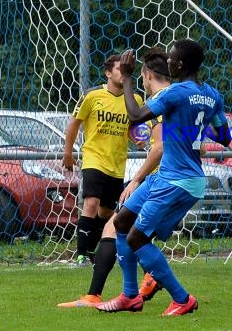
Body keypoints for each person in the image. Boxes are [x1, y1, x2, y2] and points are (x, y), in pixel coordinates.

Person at [95, 39, 230, 317]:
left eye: (171, 58)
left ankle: (182, 299)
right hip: (171, 176)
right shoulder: (212, 94)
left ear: (180, 65)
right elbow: (224, 137)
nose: (168, 62)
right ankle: (130, 296)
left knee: (137, 238)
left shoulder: (175, 93)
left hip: (175, 181)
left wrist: (129, 77)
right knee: (121, 221)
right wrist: (194, 127)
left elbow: (134, 115)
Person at [58, 48, 170, 308]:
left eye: (138, 74)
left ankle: (132, 288)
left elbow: (157, 144)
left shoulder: (155, 101)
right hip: (100, 161)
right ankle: (87, 257)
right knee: (109, 218)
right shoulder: (191, 96)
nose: (134, 78)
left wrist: (137, 176)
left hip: (147, 176)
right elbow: (211, 138)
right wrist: (68, 152)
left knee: (118, 225)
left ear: (148, 75)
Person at [62, 55, 143, 268]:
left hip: (117, 164)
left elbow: (131, 130)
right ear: (108, 73)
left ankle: (90, 252)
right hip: (93, 159)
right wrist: (68, 153)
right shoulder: (91, 95)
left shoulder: (134, 99)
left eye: (126, 70)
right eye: (118, 69)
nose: (123, 72)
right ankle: (80, 255)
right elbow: (74, 124)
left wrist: (140, 140)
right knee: (91, 204)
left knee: (106, 213)